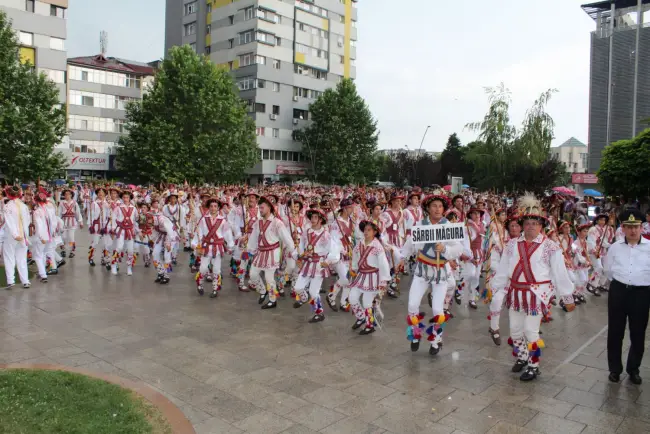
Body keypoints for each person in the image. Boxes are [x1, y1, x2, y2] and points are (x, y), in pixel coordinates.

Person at [490, 193, 575, 381]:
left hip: (537, 294)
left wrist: (567, 297)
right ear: (522, 225)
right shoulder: (512, 244)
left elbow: (560, 274)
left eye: (535, 223)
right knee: (515, 331)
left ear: (541, 226)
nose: (530, 227)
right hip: (516, 293)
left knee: (530, 331)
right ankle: (522, 357)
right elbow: (504, 269)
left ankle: (534, 366)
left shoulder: (551, 247)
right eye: (527, 223)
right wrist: (496, 288)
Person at [401, 193, 463, 356]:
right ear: (427, 208)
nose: (437, 209)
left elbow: (459, 248)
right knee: (413, 304)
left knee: (437, 309)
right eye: (434, 206)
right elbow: (409, 245)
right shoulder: (420, 225)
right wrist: (402, 257)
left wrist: (445, 250)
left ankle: (436, 340)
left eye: (440, 206)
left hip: (440, 273)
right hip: (422, 271)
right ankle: (415, 335)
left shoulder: (449, 226)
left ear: (444, 209)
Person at [605, 209, 650, 385]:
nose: (633, 230)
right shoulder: (615, 247)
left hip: (641, 293)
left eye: (636, 227)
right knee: (615, 332)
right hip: (619, 291)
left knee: (638, 333)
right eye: (629, 227)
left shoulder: (649, 247)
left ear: (642, 228)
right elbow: (608, 270)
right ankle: (615, 369)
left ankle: (634, 369)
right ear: (622, 228)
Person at [247, 196, 296, 309]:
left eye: (262, 207)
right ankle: (263, 291)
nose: (260, 210)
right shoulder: (258, 222)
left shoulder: (277, 223)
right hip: (261, 252)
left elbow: (286, 238)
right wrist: (250, 249)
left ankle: (272, 300)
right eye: (259, 208)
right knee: (253, 275)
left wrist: (293, 251)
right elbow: (254, 237)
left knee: (269, 278)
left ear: (269, 207)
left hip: (272, 253)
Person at [293, 209, 337, 323]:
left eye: (315, 217)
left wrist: (328, 261)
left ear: (321, 220)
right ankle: (304, 298)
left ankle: (319, 312)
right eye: (311, 217)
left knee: (313, 292)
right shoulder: (306, 231)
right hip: (307, 263)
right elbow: (301, 245)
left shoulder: (326, 235)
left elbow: (333, 250)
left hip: (318, 265)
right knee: (297, 288)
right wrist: (298, 254)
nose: (312, 219)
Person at [348, 220, 391, 335]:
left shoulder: (377, 246)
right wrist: (354, 268)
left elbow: (383, 264)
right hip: (361, 275)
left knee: (367, 303)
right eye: (365, 230)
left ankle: (369, 324)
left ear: (375, 232)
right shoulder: (360, 243)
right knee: (352, 297)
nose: (366, 232)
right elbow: (356, 258)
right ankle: (361, 317)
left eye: (369, 230)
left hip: (373, 277)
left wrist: (384, 281)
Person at [193, 198, 234, 298]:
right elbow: (199, 232)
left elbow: (227, 233)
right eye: (211, 206)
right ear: (209, 207)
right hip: (206, 247)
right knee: (203, 268)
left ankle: (215, 289)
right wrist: (195, 243)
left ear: (218, 207)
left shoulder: (223, 220)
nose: (213, 208)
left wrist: (230, 245)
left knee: (216, 269)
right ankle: (200, 284)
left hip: (218, 247)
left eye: (215, 206)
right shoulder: (204, 219)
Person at [2, 186, 31, 289]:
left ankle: (10, 280)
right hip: (23, 235)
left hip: (11, 236)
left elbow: (9, 222)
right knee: (22, 258)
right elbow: (28, 221)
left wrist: (15, 234)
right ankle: (25, 281)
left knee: (9, 257)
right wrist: (23, 233)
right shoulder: (24, 206)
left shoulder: (7, 207)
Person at [58, 188, 83, 258]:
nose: (67, 195)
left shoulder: (75, 203)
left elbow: (78, 213)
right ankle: (63, 250)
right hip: (63, 222)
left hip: (72, 223)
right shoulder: (62, 203)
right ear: (64, 195)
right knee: (63, 237)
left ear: (71, 195)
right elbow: (59, 213)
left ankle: (72, 251)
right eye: (66, 194)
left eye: (69, 194)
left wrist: (80, 222)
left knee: (71, 238)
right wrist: (58, 222)